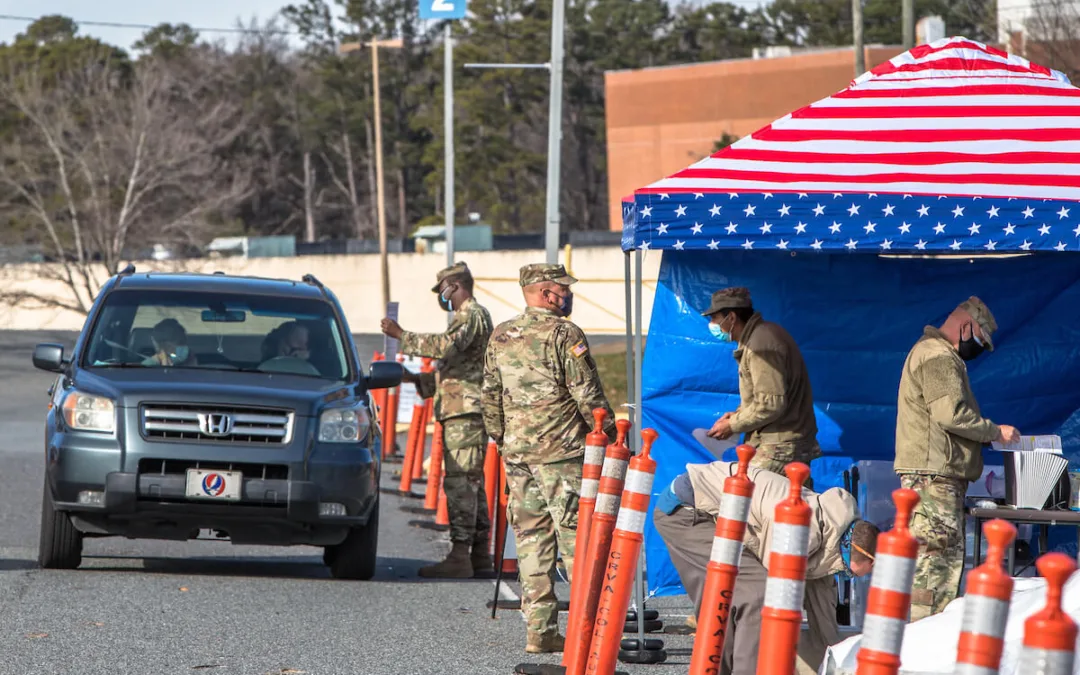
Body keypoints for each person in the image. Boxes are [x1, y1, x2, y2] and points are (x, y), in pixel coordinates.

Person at [481, 262, 617, 654]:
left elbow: (490, 395)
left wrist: (503, 439)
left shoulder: (501, 335)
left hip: (518, 456)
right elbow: (589, 397)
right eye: (563, 289)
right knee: (577, 540)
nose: (568, 295)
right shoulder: (564, 334)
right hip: (561, 456)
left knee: (531, 542)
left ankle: (540, 632)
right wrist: (611, 438)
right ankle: (584, 631)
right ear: (546, 293)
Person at [653, 461, 879, 675]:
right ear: (860, 554)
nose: (850, 577)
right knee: (756, 595)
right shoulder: (806, 530)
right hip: (688, 512)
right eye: (851, 574)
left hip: (712, 513)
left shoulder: (832, 541)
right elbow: (774, 595)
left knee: (735, 599)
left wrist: (840, 663)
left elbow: (824, 623)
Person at [894, 296, 1020, 622]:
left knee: (932, 568)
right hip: (934, 481)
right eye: (978, 340)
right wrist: (994, 432)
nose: (977, 348)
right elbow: (951, 414)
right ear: (965, 326)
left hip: (931, 478)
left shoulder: (931, 353)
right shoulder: (938, 355)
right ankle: (920, 651)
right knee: (935, 573)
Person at [380, 262, 496, 579]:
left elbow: (447, 347)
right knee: (470, 484)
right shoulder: (466, 319)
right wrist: (417, 379)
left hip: (466, 413)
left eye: (442, 290)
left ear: (453, 286)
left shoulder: (471, 315)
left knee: (461, 483)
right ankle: (477, 555)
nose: (440, 297)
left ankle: (461, 555)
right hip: (460, 408)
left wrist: (401, 336)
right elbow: (457, 371)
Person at [701, 287, 820, 485]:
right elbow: (766, 395)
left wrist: (733, 425)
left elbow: (771, 404)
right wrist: (738, 414)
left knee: (745, 500)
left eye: (714, 318)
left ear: (731, 317)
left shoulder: (761, 344)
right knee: (792, 509)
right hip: (785, 442)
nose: (712, 325)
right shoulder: (761, 336)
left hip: (779, 446)